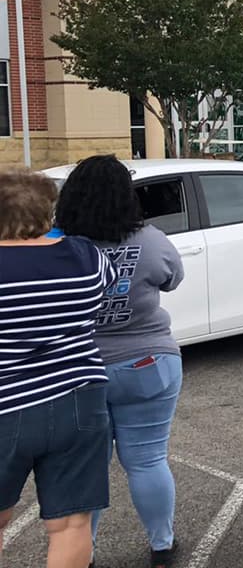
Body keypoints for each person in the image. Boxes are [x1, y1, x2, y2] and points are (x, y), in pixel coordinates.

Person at [55, 156, 185, 568]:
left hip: (80, 368)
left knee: (85, 469)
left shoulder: (58, 246)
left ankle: (83, 555)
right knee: (147, 459)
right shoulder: (151, 240)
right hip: (148, 361)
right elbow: (172, 278)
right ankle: (161, 547)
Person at [0, 169, 115, 568]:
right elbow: (106, 291)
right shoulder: (85, 256)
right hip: (79, 398)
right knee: (70, 525)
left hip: (6, 405)